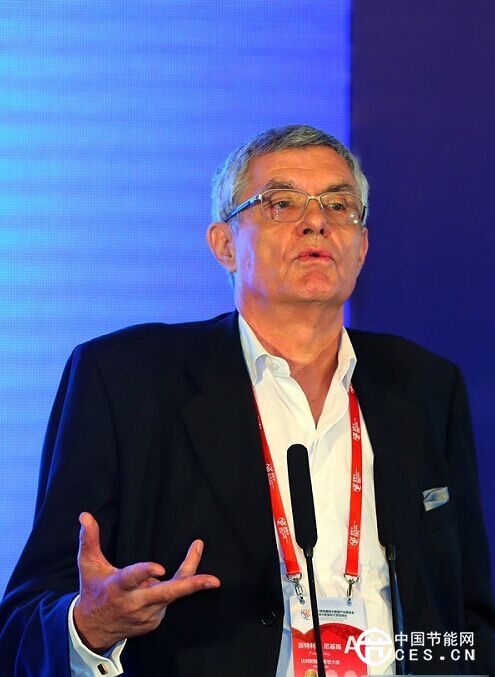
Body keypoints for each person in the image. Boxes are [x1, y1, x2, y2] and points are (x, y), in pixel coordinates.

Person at [1, 125, 494, 676]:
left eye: (338, 205)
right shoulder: (126, 380)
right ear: (224, 245)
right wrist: (89, 626)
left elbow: (466, 613)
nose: (316, 222)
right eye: (282, 203)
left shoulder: (425, 385)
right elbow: (24, 622)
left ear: (362, 247)